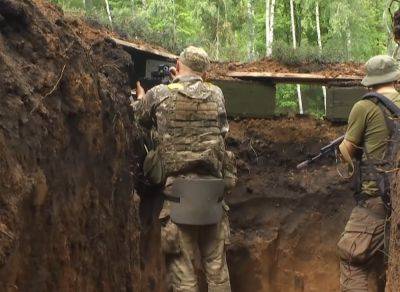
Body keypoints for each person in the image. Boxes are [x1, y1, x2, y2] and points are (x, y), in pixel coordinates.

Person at [132, 46, 236, 292]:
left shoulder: (160, 94)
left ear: (177, 65)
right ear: (205, 73)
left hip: (178, 197)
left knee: (184, 277)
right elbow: (222, 131)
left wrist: (140, 97)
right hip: (213, 196)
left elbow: (139, 117)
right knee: (217, 272)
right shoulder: (216, 94)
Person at [337, 55, 400, 291]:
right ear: (395, 77)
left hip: (376, 202)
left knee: (351, 257)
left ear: (370, 81)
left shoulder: (364, 107)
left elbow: (347, 152)